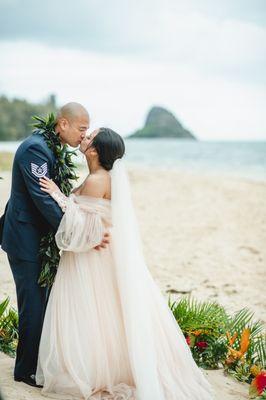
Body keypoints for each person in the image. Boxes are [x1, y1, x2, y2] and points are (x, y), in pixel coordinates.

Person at [36, 127, 215, 399]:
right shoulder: (97, 176)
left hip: (94, 255)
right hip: (92, 252)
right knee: (100, 312)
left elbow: (83, 223)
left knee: (95, 310)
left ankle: (99, 369)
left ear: (95, 150)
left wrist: (57, 195)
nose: (84, 137)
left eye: (89, 136)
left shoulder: (98, 179)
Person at [0, 103, 108, 388]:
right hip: (25, 238)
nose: (83, 136)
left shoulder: (51, 147)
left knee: (40, 301)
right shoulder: (36, 149)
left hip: (36, 237)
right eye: (81, 129)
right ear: (63, 124)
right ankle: (25, 372)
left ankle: (34, 363)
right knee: (34, 305)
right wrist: (81, 232)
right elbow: (43, 200)